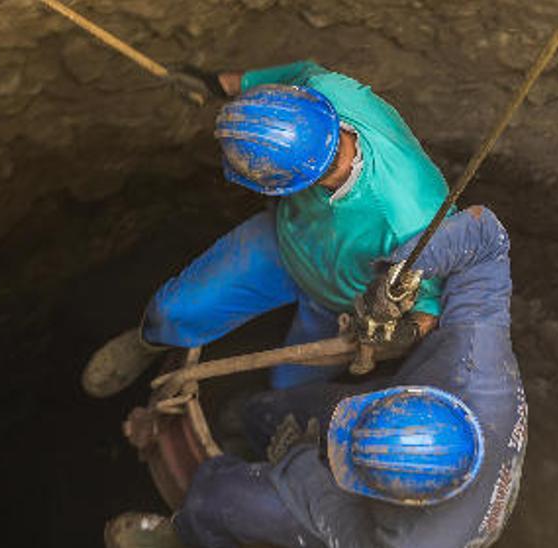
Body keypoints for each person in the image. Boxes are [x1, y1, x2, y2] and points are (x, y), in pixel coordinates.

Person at [106, 206, 527, 548]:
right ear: (424, 400)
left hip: (360, 528)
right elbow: (485, 239)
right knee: (271, 412)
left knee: (217, 498)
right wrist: (406, 271)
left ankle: (185, 534)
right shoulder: (476, 364)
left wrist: (302, 463)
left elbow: (336, 519)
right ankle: (245, 420)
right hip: (388, 449)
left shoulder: (411, 542)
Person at [83, 60, 448, 396]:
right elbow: (299, 71)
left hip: (342, 303)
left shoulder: (413, 219)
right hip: (285, 240)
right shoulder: (324, 89)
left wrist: (403, 333)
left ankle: (281, 401)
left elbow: (430, 304)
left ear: (290, 183)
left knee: (289, 386)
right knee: (174, 310)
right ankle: (149, 342)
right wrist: (224, 84)